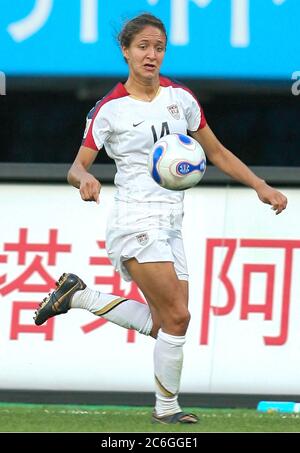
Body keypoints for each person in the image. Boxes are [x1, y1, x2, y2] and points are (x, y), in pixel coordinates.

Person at [34, 13, 287, 424]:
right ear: (126, 51)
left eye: (159, 47)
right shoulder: (109, 110)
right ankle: (166, 409)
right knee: (178, 318)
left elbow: (217, 153)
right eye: (143, 47)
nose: (152, 55)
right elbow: (76, 166)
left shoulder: (181, 99)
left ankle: (77, 295)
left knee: (167, 322)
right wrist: (85, 181)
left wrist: (260, 185)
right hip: (135, 220)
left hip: (171, 222)